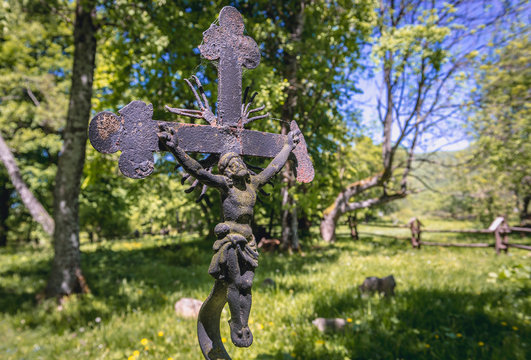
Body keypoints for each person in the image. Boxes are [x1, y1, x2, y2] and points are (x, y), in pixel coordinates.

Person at [158, 124, 300, 347]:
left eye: (239, 161)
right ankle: (238, 325)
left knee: (247, 284)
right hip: (231, 242)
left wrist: (288, 146)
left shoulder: (253, 183)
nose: (238, 164)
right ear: (227, 171)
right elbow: (198, 171)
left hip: (249, 241)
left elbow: (274, 167)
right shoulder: (226, 185)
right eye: (231, 164)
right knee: (235, 284)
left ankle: (243, 321)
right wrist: (176, 148)